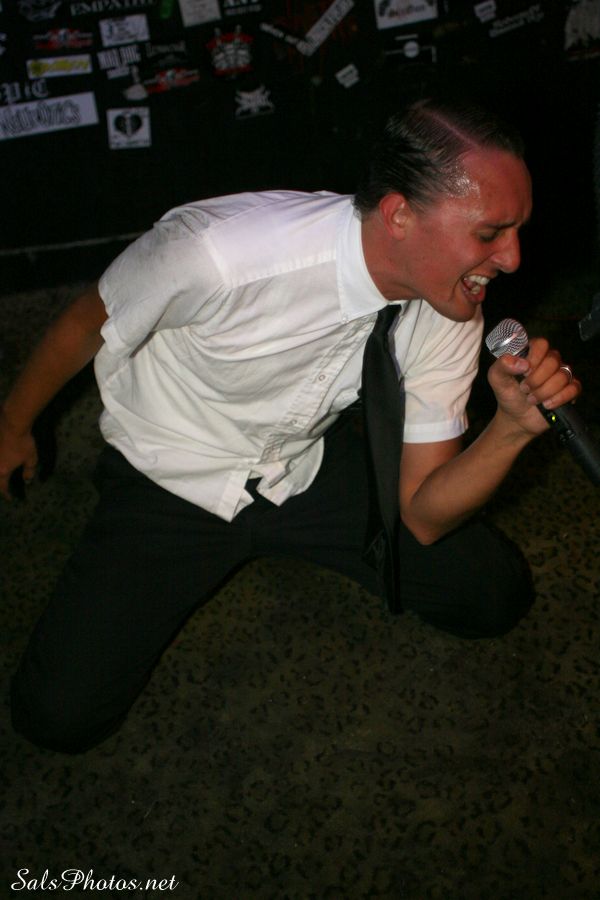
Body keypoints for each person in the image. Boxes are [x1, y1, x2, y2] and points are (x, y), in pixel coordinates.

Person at [1, 97, 581, 754]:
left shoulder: (452, 308)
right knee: (55, 719)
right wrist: (12, 424)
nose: (512, 258)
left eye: (517, 231)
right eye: (490, 233)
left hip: (301, 462)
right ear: (399, 214)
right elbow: (89, 321)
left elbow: (422, 515)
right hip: (172, 471)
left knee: (493, 595)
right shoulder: (220, 253)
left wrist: (510, 429)